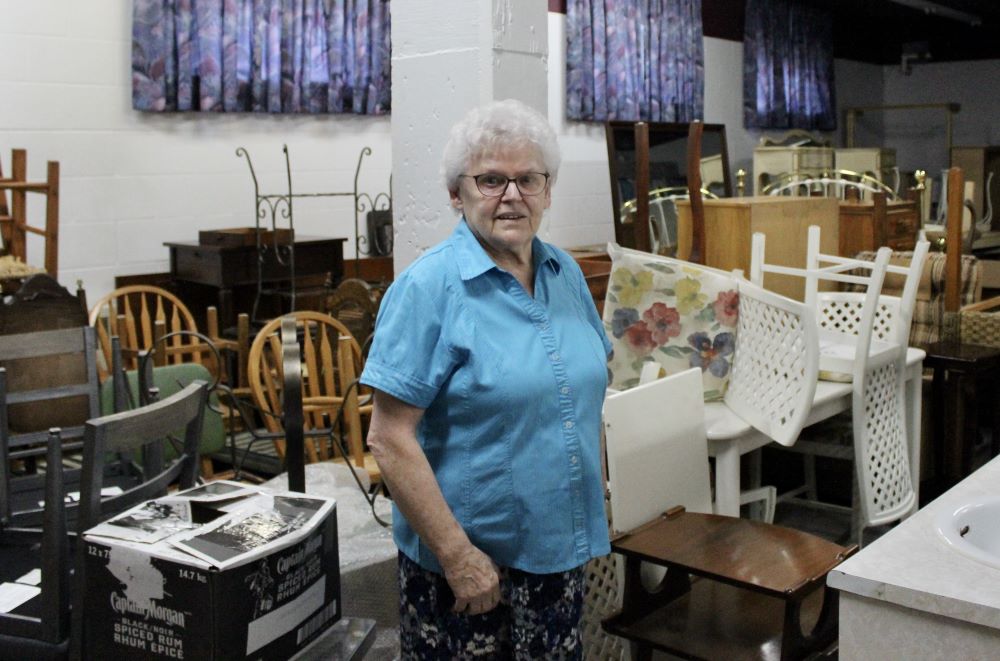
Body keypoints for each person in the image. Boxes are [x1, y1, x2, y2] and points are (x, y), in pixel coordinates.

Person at [361, 99, 612, 659]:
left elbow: (584, 392)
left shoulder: (564, 273)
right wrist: (457, 557)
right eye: (491, 179)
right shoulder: (429, 288)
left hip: (558, 556)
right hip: (472, 572)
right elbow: (388, 437)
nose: (513, 195)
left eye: (528, 179)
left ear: (547, 190)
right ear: (457, 193)